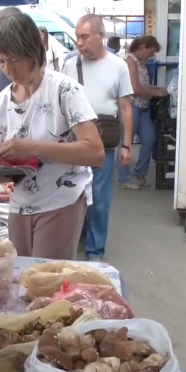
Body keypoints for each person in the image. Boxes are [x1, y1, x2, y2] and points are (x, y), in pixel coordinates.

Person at [0, 13, 104, 259]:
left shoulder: (65, 90)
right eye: (0, 61)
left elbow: (95, 152)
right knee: (19, 277)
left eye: (15, 59)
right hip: (20, 202)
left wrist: (34, 148)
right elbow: (5, 163)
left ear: (33, 51)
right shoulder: (1, 102)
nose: (8, 69)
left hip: (61, 200)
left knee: (46, 281)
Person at [60, 14, 133, 262]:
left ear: (100, 36)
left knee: (100, 201)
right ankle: (78, 237)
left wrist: (126, 145)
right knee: (74, 195)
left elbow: (125, 108)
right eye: (77, 37)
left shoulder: (119, 66)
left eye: (84, 36)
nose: (79, 43)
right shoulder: (69, 65)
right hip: (74, 142)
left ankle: (95, 251)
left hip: (105, 142)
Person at [120, 36, 169, 190]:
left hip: (142, 107)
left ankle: (139, 173)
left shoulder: (139, 62)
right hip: (132, 106)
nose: (151, 56)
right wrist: (156, 93)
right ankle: (124, 178)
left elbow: (144, 85)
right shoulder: (130, 61)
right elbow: (135, 89)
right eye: (150, 52)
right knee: (126, 143)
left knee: (149, 138)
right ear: (142, 47)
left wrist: (157, 89)